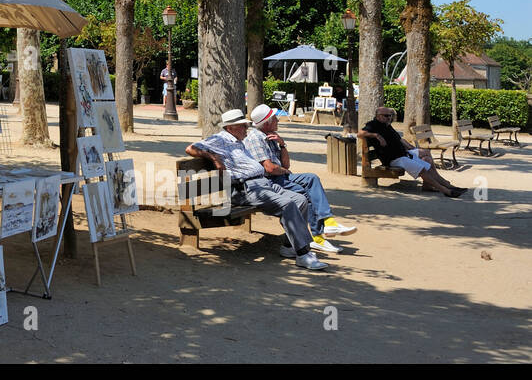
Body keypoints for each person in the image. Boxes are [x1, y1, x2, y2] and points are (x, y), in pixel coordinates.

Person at [186, 108, 328, 271]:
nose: (247, 129)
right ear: (231, 128)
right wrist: (214, 158)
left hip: (261, 184)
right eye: (243, 126)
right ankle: (303, 254)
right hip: (245, 188)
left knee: (300, 200)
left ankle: (290, 246)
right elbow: (190, 148)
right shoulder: (220, 139)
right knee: (288, 204)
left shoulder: (237, 140)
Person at [246, 105, 357, 256]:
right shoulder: (255, 138)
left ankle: (328, 224)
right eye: (274, 118)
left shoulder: (271, 136)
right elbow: (270, 169)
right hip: (270, 181)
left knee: (312, 178)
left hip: (281, 176)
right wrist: (284, 171)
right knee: (306, 195)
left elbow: (286, 164)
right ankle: (317, 236)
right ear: (266, 123)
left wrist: (282, 144)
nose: (278, 120)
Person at [361, 106, 465, 197]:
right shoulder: (373, 124)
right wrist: (376, 135)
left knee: (428, 167)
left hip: (403, 155)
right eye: (386, 116)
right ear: (378, 116)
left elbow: (399, 139)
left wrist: (410, 147)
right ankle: (446, 191)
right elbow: (360, 133)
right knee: (423, 170)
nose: (389, 118)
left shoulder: (387, 125)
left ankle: (449, 186)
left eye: (390, 116)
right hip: (394, 159)